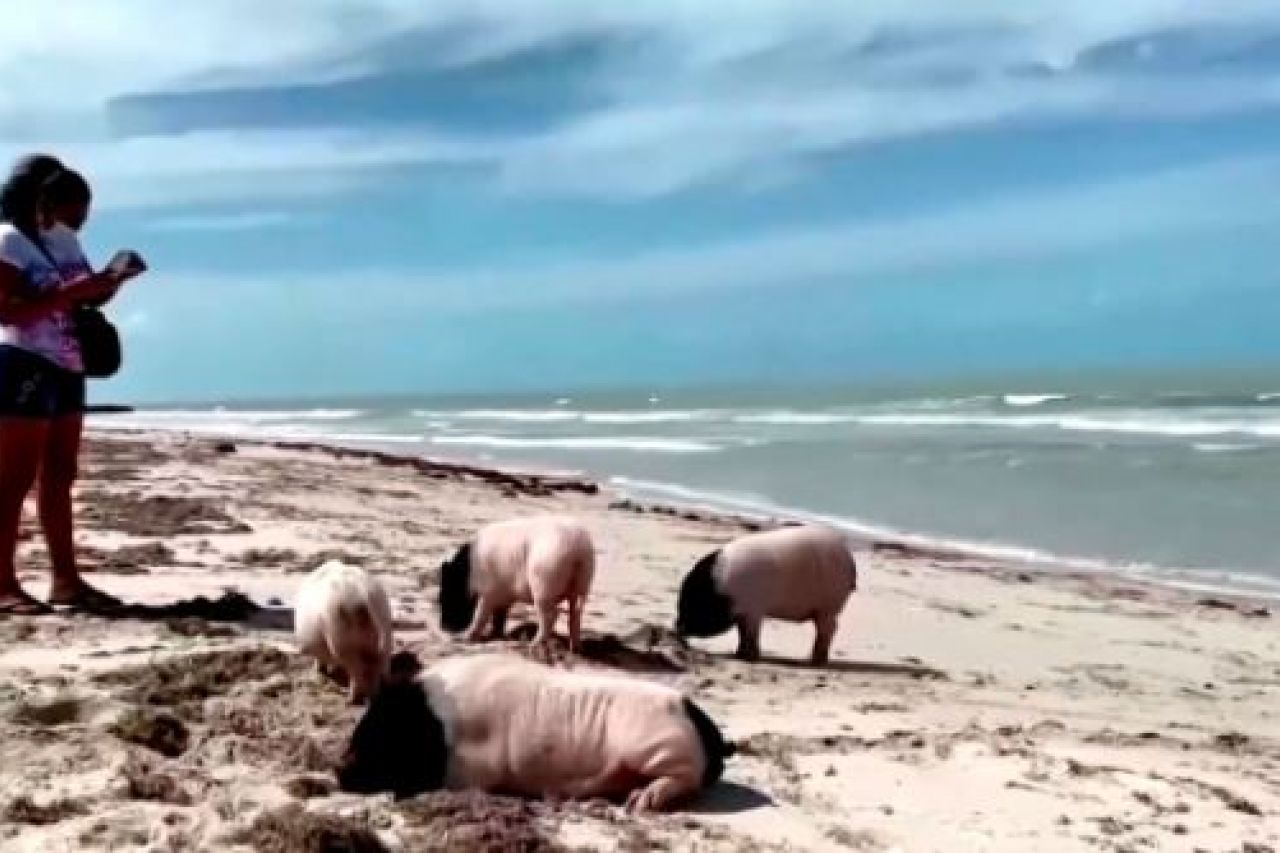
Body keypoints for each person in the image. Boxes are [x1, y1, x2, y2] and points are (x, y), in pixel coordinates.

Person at [0, 156, 142, 614]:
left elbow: (82, 292)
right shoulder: (8, 242)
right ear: (42, 197)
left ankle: (66, 580)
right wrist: (68, 295)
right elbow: (6, 313)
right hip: (23, 362)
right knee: (13, 480)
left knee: (60, 476)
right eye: (73, 207)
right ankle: (2, 583)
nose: (79, 219)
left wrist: (111, 282)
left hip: (68, 364)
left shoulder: (61, 240)